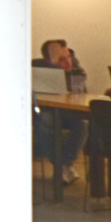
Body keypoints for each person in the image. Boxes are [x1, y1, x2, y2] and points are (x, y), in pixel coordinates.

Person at [32, 39, 88, 185]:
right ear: (49, 60)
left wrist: (63, 66)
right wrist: (54, 66)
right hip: (47, 111)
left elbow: (79, 89)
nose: (68, 62)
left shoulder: (75, 69)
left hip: (68, 112)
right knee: (41, 121)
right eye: (61, 59)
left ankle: (64, 164)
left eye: (68, 57)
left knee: (83, 123)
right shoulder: (38, 68)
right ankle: (61, 165)